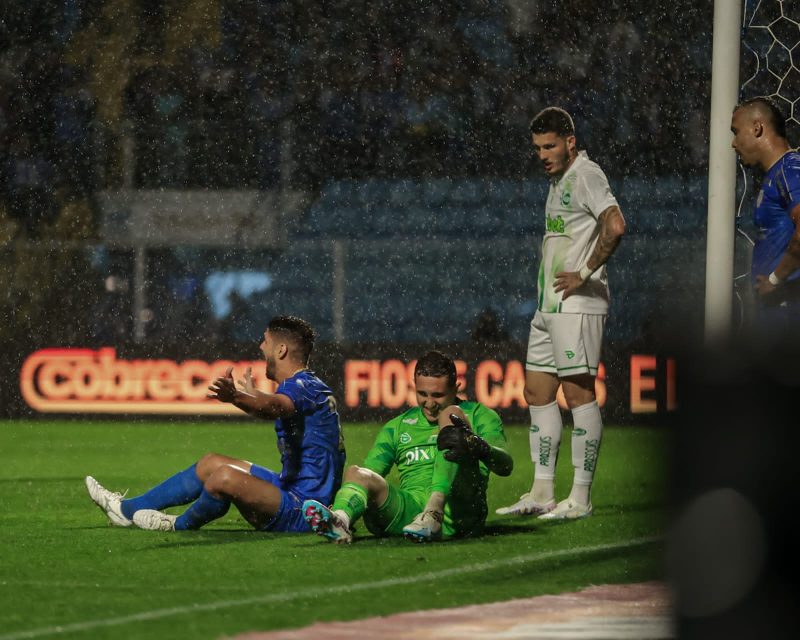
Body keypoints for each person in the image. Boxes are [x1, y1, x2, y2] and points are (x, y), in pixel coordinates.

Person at [85, 315, 346, 532]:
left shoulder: (301, 387)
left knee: (224, 478)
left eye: (265, 341)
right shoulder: (309, 386)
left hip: (306, 510)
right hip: (290, 488)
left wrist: (236, 397)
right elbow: (279, 404)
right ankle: (125, 510)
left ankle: (177, 524)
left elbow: (275, 407)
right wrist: (252, 395)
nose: (260, 347)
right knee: (212, 462)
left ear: (281, 350)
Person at [496, 106, 625, 521]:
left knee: (578, 395)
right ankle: (542, 491)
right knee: (536, 391)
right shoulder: (558, 181)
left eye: (550, 145)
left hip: (577, 305)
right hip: (549, 305)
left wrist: (585, 273)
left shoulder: (586, 174)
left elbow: (615, 224)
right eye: (537, 148)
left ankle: (581, 498)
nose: (543, 154)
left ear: (571, 141)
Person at [302, 350, 512, 544]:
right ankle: (340, 522)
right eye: (422, 394)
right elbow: (370, 474)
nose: (429, 403)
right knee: (356, 473)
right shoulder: (398, 426)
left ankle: (434, 512)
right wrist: (350, 502)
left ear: (456, 388)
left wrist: (480, 447)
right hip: (410, 512)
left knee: (451, 415)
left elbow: (505, 466)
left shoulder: (479, 415)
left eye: (438, 395)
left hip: (459, 513)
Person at [730, 96, 800, 343]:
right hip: (775, 314)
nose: (733, 143)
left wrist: (775, 280)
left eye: (736, 132)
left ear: (757, 128)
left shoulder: (790, 169)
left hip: (788, 313)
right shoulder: (775, 175)